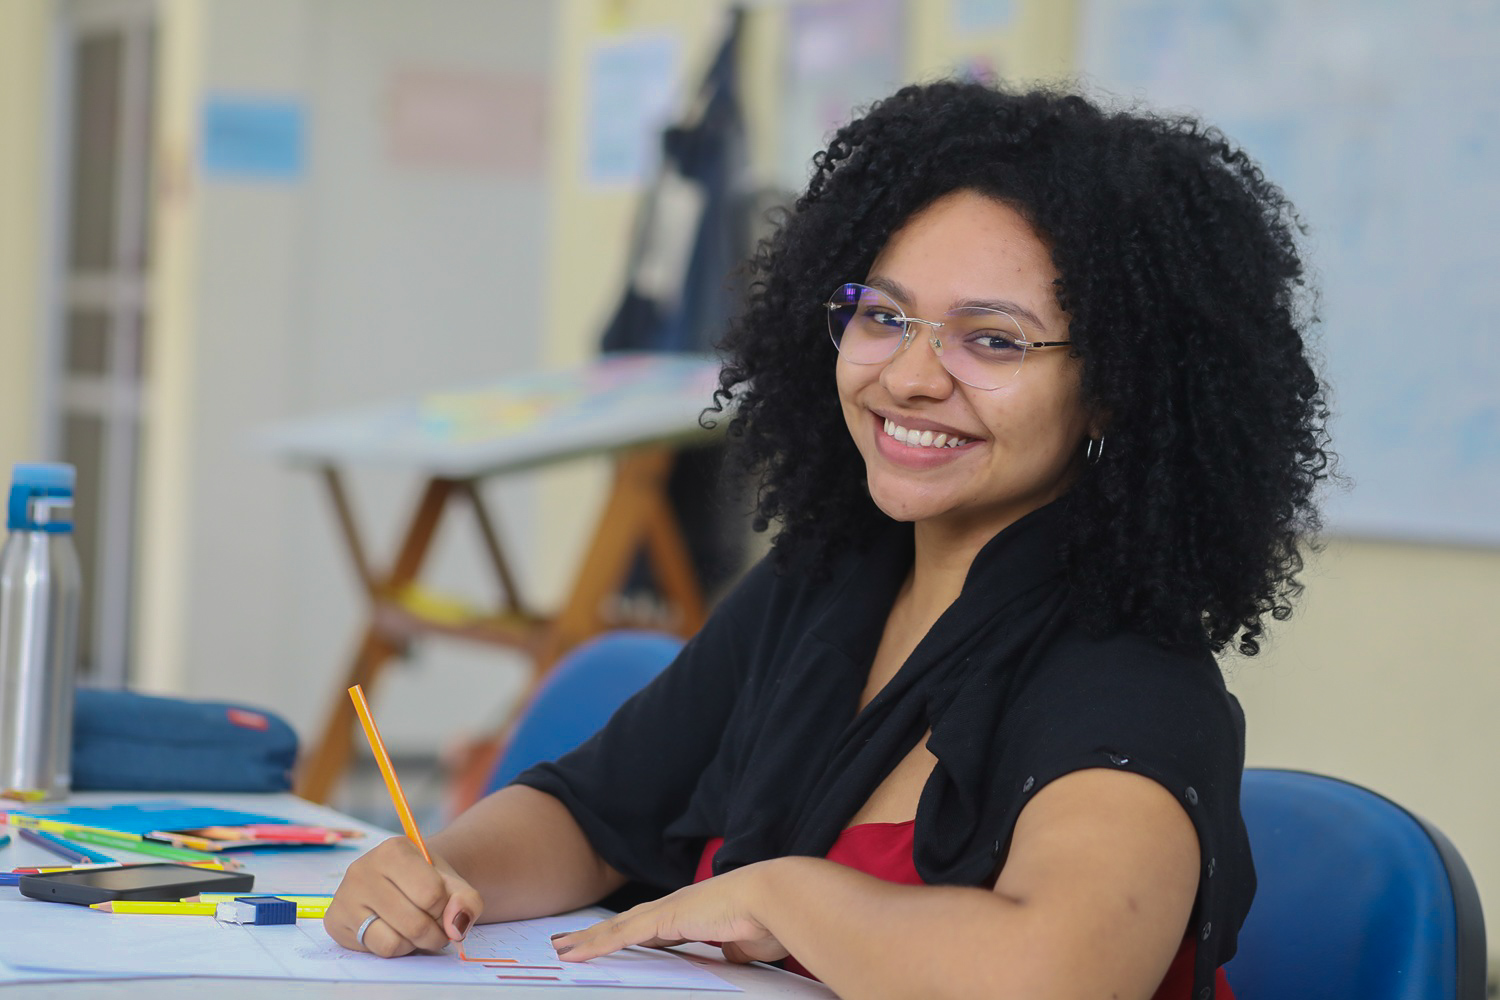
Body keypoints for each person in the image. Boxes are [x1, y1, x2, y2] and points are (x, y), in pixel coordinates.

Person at [326, 80, 1331, 1000]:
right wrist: (442, 869)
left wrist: (787, 898)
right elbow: (593, 814)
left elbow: (1053, 975)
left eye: (992, 339)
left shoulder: (1129, 675)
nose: (909, 376)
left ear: (1115, 387)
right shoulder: (828, 581)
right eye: (884, 316)